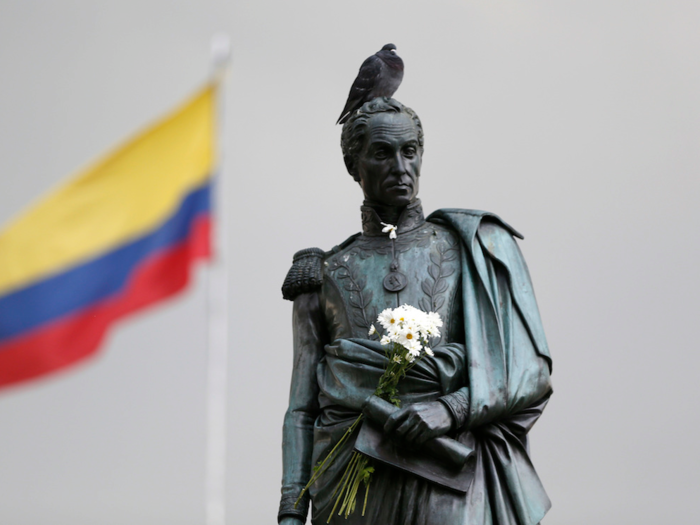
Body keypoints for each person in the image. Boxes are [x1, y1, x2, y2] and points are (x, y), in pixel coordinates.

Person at [278, 98, 553, 525]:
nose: (400, 166)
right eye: (382, 153)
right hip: (351, 489)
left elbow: (528, 371)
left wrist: (450, 409)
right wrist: (291, 511)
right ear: (355, 164)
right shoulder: (322, 274)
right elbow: (301, 408)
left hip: (452, 470)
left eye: (410, 151)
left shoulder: (471, 248)